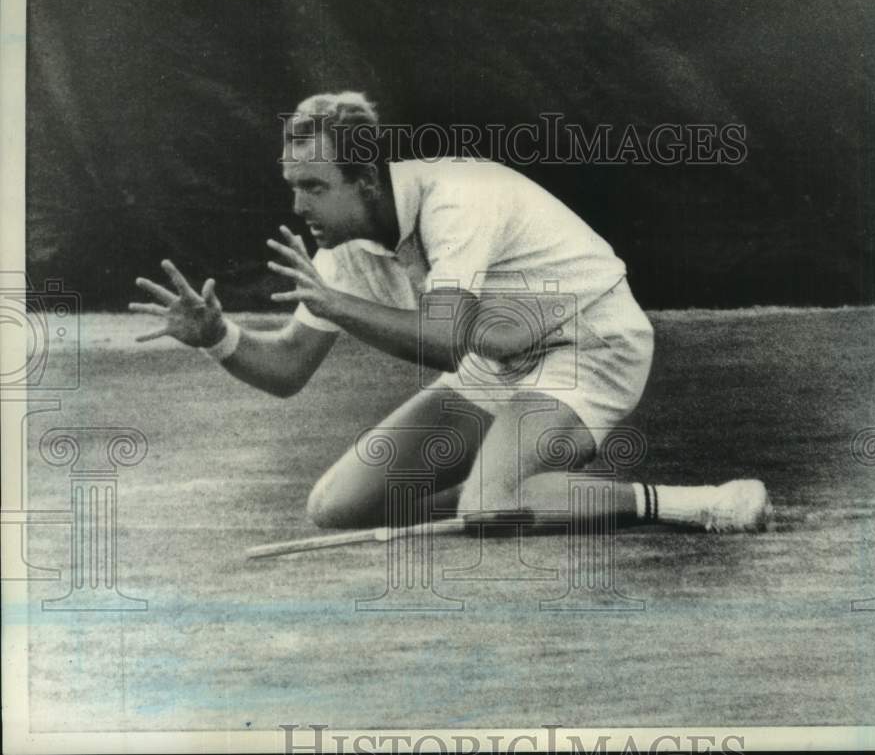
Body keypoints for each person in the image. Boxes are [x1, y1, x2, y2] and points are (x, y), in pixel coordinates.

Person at [130, 91, 772, 533]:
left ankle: (700, 503)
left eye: (315, 187)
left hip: (588, 348)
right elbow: (289, 367)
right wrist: (219, 336)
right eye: (293, 185)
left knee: (493, 507)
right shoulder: (341, 245)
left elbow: (445, 345)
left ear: (369, 182)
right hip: (498, 364)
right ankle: (526, 488)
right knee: (338, 506)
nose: (299, 205)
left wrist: (340, 307)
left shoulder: (457, 198)